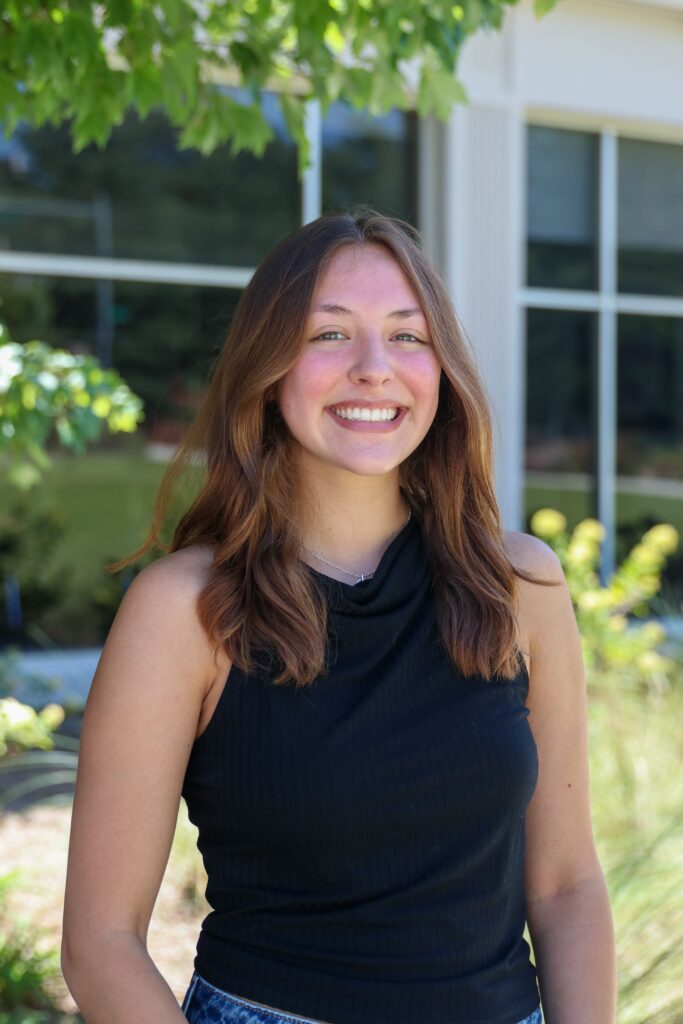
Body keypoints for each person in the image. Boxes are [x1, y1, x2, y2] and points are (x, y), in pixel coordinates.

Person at [61, 209, 616, 1024]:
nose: (373, 368)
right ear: (268, 365)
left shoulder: (519, 586)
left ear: (441, 368)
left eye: (407, 336)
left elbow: (566, 884)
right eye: (328, 335)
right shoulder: (185, 612)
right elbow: (101, 943)